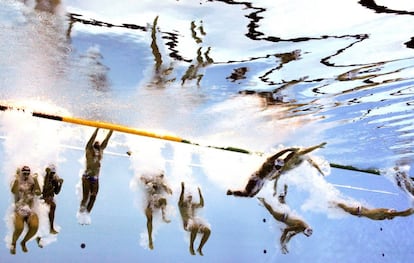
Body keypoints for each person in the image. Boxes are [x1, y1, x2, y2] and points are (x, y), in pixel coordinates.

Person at [227, 142, 326, 197]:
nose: (278, 168)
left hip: (263, 180)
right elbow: (280, 153)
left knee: (252, 194)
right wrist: (288, 149)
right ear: (275, 163)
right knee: (247, 194)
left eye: (279, 167)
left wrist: (294, 152)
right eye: (278, 167)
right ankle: (232, 192)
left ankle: (262, 191)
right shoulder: (270, 161)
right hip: (257, 178)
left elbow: (287, 158)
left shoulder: (281, 165)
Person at [80, 128, 113, 214]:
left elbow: (107, 139)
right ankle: (81, 211)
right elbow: (92, 139)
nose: (98, 143)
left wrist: (111, 130)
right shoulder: (88, 149)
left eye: (99, 142)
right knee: (86, 197)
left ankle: (86, 213)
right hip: (87, 177)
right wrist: (97, 128)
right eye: (96, 142)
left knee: (93, 196)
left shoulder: (101, 150)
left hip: (95, 178)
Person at [10, 166, 42, 255]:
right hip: (19, 209)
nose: (26, 175)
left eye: (28, 173)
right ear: (21, 173)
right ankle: (13, 243)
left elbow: (38, 193)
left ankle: (23, 242)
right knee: (19, 228)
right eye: (24, 173)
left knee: (35, 226)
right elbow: (13, 191)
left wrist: (35, 180)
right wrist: (16, 179)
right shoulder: (17, 181)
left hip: (29, 210)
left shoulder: (32, 182)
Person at [140, 172, 173, 250]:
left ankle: (164, 217)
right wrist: (147, 181)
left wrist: (167, 188)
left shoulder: (161, 184)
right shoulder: (150, 181)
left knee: (163, 199)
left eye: (162, 177)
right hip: (148, 203)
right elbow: (141, 178)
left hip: (156, 202)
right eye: (160, 176)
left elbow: (169, 192)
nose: (161, 177)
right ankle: (150, 239)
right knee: (149, 219)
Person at [178, 182, 211, 256]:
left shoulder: (193, 206)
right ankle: (191, 246)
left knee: (208, 231)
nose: (190, 198)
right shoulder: (181, 205)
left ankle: (199, 248)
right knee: (195, 226)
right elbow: (180, 199)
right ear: (185, 197)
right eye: (188, 196)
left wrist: (200, 193)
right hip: (187, 224)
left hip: (194, 222)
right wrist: (183, 189)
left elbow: (202, 205)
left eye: (191, 197)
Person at [41, 164, 63, 234]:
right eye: (51, 173)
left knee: (52, 207)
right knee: (52, 205)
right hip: (43, 197)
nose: (52, 174)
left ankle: (50, 227)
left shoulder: (54, 179)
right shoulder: (44, 177)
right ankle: (49, 228)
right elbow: (45, 186)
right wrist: (47, 174)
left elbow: (56, 192)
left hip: (50, 198)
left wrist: (60, 184)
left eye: (53, 173)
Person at [335, 202, 414, 220]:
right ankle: (332, 202)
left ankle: (333, 203)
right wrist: (412, 210)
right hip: (359, 211)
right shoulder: (386, 213)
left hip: (360, 212)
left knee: (345, 208)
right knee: (345, 208)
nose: (392, 218)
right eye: (393, 215)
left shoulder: (384, 215)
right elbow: (403, 213)